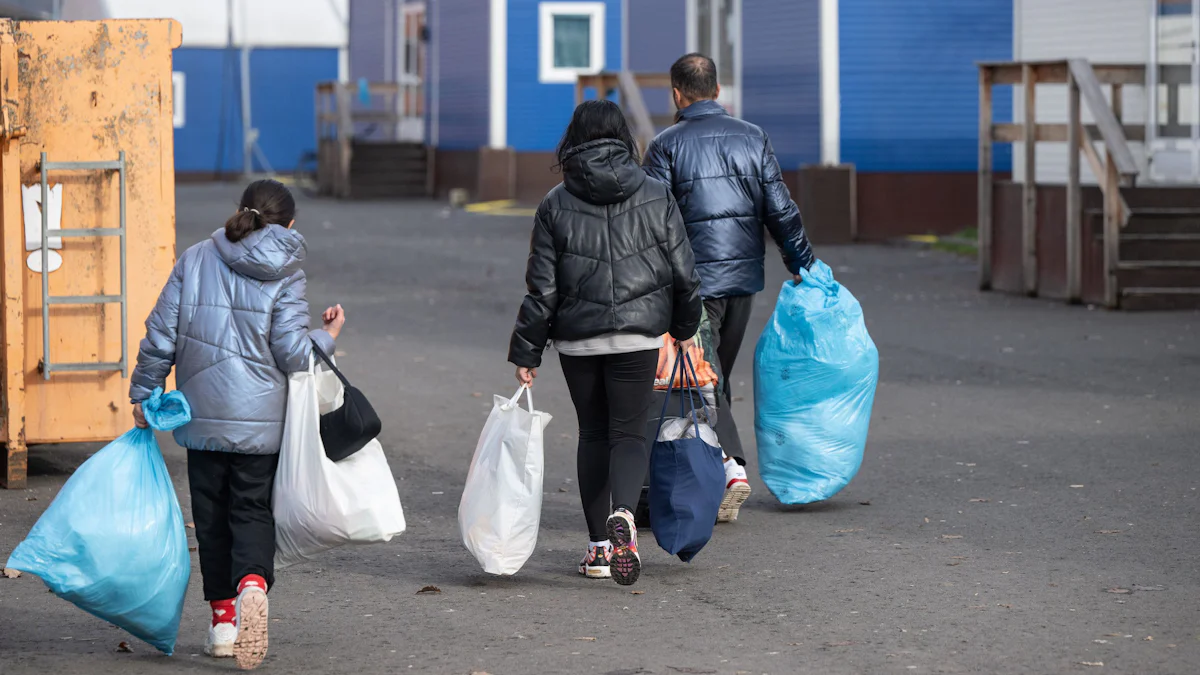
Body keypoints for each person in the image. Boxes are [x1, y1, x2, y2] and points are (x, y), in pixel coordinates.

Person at [129, 179, 345, 669]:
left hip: (201, 418)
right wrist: (327, 336)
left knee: (209, 520)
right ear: (290, 223)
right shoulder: (287, 272)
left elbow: (159, 336)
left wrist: (144, 395)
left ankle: (223, 623)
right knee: (251, 510)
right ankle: (253, 583)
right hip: (261, 425)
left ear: (240, 210)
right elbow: (292, 354)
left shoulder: (195, 257)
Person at [509, 100, 703, 586]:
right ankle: (625, 514)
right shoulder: (656, 194)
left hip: (578, 341)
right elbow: (685, 274)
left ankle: (599, 549)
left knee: (593, 434)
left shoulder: (555, 202)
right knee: (629, 434)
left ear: (573, 139)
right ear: (623, 136)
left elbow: (543, 288)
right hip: (639, 335)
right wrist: (683, 329)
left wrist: (527, 352)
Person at [643, 53, 816, 522]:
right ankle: (718, 470)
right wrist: (803, 263)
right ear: (718, 91)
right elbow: (780, 208)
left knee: (705, 378)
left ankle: (730, 467)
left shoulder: (665, 145)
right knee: (714, 374)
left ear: (677, 94)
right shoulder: (753, 137)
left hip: (692, 284)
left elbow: (652, 219)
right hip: (743, 281)